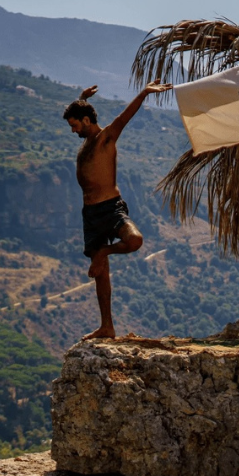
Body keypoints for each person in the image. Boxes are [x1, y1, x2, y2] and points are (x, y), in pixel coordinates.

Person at [63, 82, 171, 339]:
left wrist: (144, 93)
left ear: (86, 121)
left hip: (110, 208)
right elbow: (81, 113)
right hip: (90, 214)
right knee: (101, 273)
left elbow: (125, 117)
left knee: (134, 240)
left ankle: (105, 252)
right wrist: (81, 98)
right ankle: (107, 326)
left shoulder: (106, 138)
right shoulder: (87, 139)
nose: (73, 131)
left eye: (75, 126)